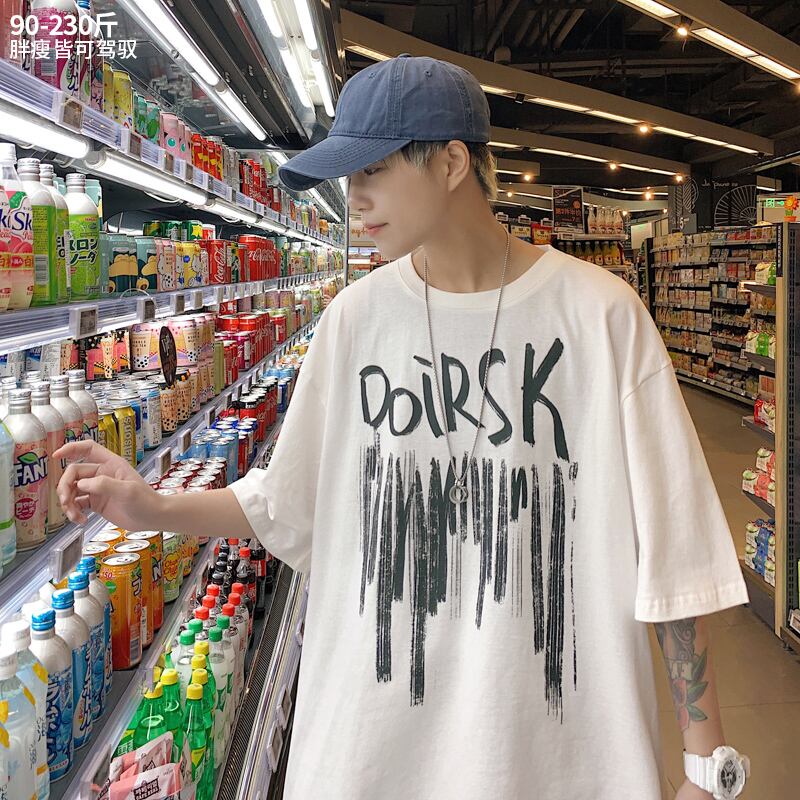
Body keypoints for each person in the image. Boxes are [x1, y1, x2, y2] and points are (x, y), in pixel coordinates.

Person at [57, 55, 751, 799]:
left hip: (557, 757)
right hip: (373, 753)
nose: (354, 198)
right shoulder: (356, 320)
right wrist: (151, 506)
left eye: (373, 171)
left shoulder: (601, 315)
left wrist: (705, 764)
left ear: (452, 162)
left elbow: (671, 548)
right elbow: (284, 501)